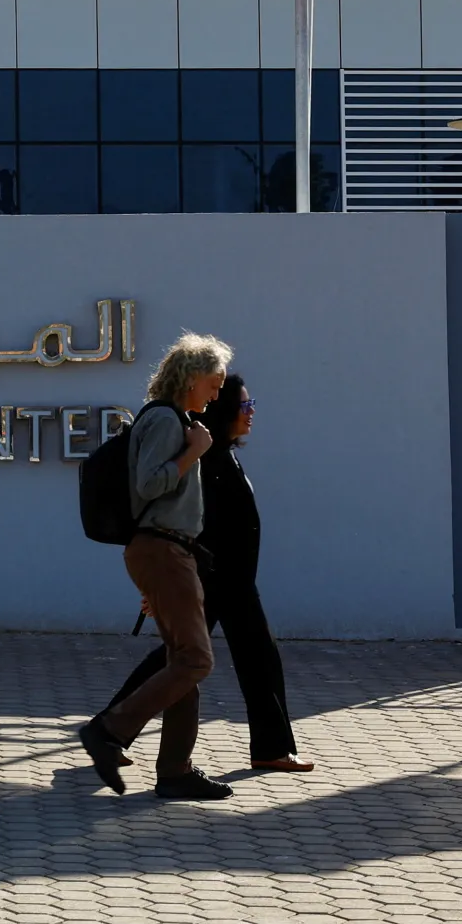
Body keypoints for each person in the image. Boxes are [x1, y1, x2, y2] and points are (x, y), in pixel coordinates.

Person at [104, 374, 312, 776]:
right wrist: (172, 581)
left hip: (232, 580)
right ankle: (109, 732)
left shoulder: (221, 454)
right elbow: (196, 524)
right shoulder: (206, 459)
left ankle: (111, 732)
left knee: (250, 659)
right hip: (215, 578)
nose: (251, 414)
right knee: (187, 660)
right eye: (244, 406)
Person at [78, 332, 233, 801]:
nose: (218, 392)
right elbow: (149, 483)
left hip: (166, 552)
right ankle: (109, 729)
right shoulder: (168, 421)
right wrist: (193, 452)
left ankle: (175, 771)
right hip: (162, 549)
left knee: (182, 660)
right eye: (214, 382)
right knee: (196, 659)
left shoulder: (175, 419)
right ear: (190, 378)